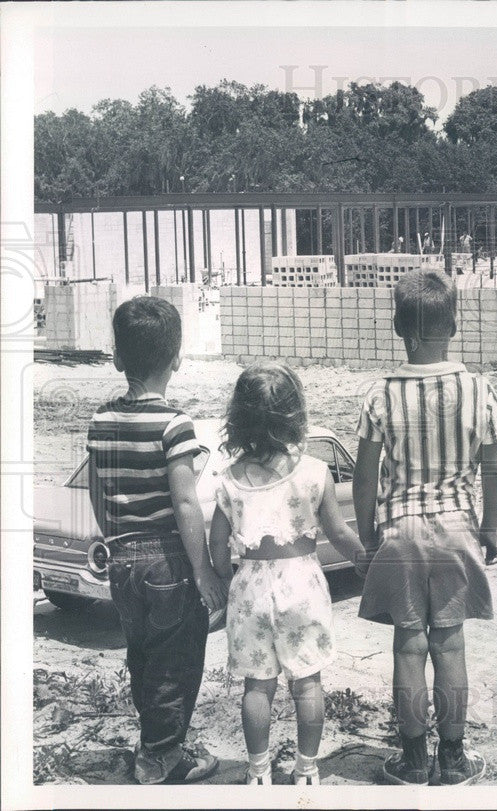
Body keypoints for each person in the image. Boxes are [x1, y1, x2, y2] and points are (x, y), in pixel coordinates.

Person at [353, 269, 497, 786]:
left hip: (399, 530)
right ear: (454, 325)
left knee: (408, 646)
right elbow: (495, 468)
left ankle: (414, 760)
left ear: (401, 329)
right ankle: (455, 759)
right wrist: (490, 528)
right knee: (451, 646)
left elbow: (364, 474)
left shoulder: (380, 394)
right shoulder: (478, 389)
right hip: (458, 529)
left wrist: (368, 533)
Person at [87, 297, 226, 784]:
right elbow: (186, 504)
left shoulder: (100, 422)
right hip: (168, 560)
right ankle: (163, 759)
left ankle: (153, 744)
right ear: (177, 359)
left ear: (118, 358)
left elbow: (98, 491)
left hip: (122, 558)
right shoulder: (174, 425)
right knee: (177, 659)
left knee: (141, 655)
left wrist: (115, 540)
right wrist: (204, 569)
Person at [207, 362, 366, 786]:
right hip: (302, 584)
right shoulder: (314, 472)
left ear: (238, 418)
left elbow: (218, 549)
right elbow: (337, 531)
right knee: (308, 682)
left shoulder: (228, 480)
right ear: (295, 415)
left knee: (257, 687)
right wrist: (363, 559)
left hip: (251, 588)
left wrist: (222, 577)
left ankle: (259, 772)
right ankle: (306, 769)